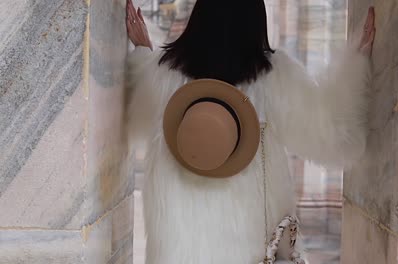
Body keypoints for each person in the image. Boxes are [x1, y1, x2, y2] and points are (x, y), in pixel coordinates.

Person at [125, 0, 376, 263]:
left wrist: (143, 51)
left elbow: (133, 113)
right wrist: (356, 63)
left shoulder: (161, 75)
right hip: (253, 241)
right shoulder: (274, 77)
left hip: (179, 242)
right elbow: (333, 137)